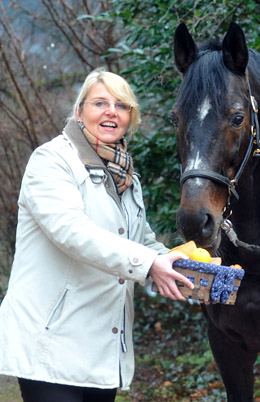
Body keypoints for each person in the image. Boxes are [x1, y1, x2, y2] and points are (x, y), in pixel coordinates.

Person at [0, 68, 193, 402]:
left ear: (130, 118)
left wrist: (178, 265)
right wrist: (149, 264)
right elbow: (72, 232)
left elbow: (141, 241)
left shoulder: (126, 177)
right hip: (51, 345)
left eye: (121, 105)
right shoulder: (52, 160)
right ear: (79, 112)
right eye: (100, 103)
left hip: (103, 350)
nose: (111, 111)